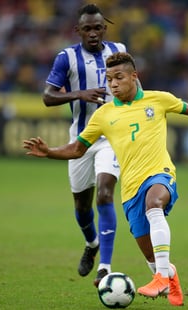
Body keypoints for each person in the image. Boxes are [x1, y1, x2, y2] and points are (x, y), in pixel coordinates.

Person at [25, 52, 188, 306]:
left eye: (119, 77)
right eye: (109, 79)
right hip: (130, 190)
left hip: (160, 174)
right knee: (153, 256)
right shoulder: (104, 115)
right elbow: (77, 149)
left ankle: (162, 277)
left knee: (154, 204)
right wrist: (49, 152)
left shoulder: (159, 99)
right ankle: (167, 276)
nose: (113, 84)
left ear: (134, 77)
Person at [41, 4, 127, 286]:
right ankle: (91, 244)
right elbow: (48, 97)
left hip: (111, 138)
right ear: (78, 31)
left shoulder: (118, 51)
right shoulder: (66, 58)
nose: (93, 33)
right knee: (81, 205)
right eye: (87, 28)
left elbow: (132, 87)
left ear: (105, 28)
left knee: (105, 194)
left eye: (98, 28)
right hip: (81, 138)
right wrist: (80, 94)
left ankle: (105, 267)